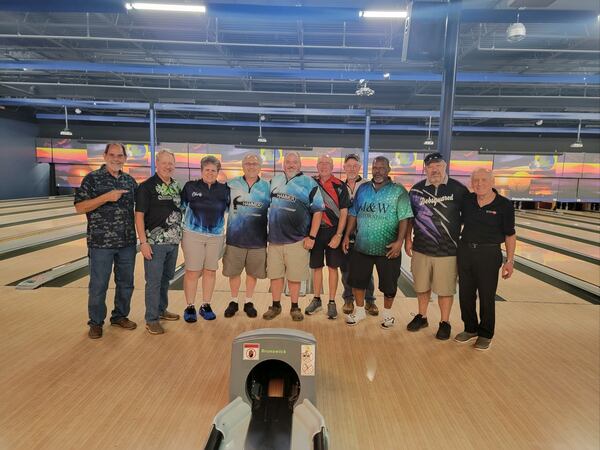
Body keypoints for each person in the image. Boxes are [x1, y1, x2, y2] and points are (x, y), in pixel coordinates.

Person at [74, 142, 138, 339]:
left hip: (127, 242)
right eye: (113, 155)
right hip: (100, 243)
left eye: (120, 156)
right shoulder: (92, 179)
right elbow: (80, 207)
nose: (116, 159)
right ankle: (95, 322)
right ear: (104, 156)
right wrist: (105, 197)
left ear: (125, 158)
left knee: (126, 283)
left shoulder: (129, 181)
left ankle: (119, 316)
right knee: (99, 284)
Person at [342, 156, 413, 329]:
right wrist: (346, 235)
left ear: (388, 170)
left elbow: (405, 218)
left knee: (389, 286)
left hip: (388, 248)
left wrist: (399, 242)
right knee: (358, 282)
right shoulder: (363, 189)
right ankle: (359, 311)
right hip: (362, 245)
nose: (378, 171)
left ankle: (387, 315)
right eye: (375, 168)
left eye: (382, 168)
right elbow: (353, 213)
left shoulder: (398, 191)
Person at [405, 152, 469, 340]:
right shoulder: (416, 190)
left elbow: (468, 218)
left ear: (445, 166)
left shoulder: (458, 189)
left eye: (438, 166)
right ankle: (422, 316)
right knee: (421, 286)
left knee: (445, 289)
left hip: (447, 250)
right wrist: (408, 239)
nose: (434, 169)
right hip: (421, 248)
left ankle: (444, 322)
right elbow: (409, 218)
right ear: (425, 169)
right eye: (431, 167)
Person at [455, 168, 516, 351]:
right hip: (465, 251)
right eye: (476, 181)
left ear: (492, 182)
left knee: (487, 296)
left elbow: (510, 235)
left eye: (483, 180)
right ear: (471, 183)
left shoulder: (504, 205)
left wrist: (510, 261)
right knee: (465, 294)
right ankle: (470, 328)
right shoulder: (467, 201)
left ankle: (486, 334)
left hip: (489, 254)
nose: (479, 184)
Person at [263, 152, 325, 322]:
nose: (291, 165)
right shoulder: (274, 181)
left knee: (295, 276)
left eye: (294, 162)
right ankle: (275, 305)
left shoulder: (309, 183)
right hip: (275, 239)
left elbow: (318, 211)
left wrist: (311, 237)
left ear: (300, 164)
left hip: (297, 239)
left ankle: (294, 306)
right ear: (283, 164)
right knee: (275, 275)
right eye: (288, 162)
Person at [135, 150, 182, 335]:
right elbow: (139, 216)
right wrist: (143, 242)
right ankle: (151, 319)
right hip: (154, 243)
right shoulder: (146, 187)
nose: (168, 166)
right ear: (157, 163)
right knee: (153, 281)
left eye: (171, 163)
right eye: (164, 163)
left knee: (166, 278)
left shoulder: (177, 186)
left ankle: (161, 310)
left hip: (173, 241)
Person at [180, 156, 230, 322]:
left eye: (213, 170)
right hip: (193, 235)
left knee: (210, 271)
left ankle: (206, 305)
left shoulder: (224, 190)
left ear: (218, 172)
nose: (210, 173)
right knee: (192, 271)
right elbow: (179, 209)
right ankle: (190, 306)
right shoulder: (190, 187)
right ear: (201, 171)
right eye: (207, 170)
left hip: (215, 236)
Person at [222, 153, 270, 318]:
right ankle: (234, 301)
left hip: (258, 240)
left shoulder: (267, 187)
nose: (251, 166)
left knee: (252, 273)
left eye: (255, 164)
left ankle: (249, 301)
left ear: (259, 167)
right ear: (243, 166)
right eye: (248, 163)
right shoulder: (231, 184)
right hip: (235, 238)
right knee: (234, 272)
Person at [304, 155, 350, 320]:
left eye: (327, 163)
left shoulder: (340, 186)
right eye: (321, 163)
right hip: (315, 232)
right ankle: (317, 299)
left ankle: (331, 302)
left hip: (333, 231)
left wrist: (339, 234)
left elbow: (344, 212)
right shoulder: (310, 183)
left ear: (332, 166)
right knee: (316, 267)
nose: (324, 166)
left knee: (332, 267)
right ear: (317, 166)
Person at [339, 153, 377, 315]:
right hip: (344, 235)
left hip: (365, 235)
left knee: (366, 269)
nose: (352, 169)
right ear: (344, 168)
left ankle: (370, 300)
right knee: (346, 269)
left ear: (360, 168)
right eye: (349, 166)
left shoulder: (369, 186)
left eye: (355, 166)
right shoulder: (340, 186)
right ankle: (348, 298)